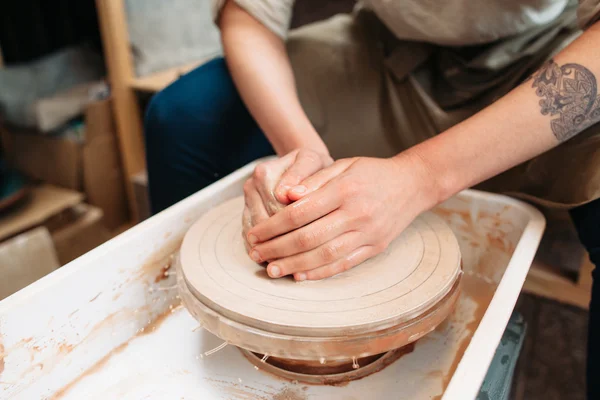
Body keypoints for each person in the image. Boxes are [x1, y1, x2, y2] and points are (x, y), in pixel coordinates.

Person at [145, 0, 600, 396]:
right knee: (183, 119)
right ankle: (183, 364)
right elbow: (249, 14)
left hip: (542, 58)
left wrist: (421, 175)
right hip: (386, 52)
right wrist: (304, 153)